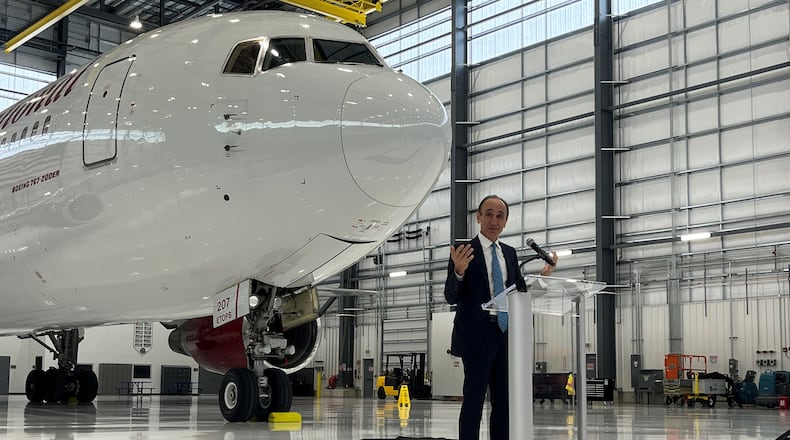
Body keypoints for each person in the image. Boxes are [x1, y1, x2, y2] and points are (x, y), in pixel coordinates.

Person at [444, 195, 557, 440]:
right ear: (478, 217)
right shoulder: (464, 250)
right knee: (473, 401)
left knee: (504, 403)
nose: (494, 220)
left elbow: (518, 292)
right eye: (489, 214)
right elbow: (450, 296)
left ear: (505, 221)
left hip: (506, 336)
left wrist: (544, 276)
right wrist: (459, 272)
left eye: (500, 216)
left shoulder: (509, 253)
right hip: (477, 337)